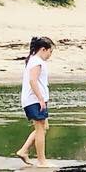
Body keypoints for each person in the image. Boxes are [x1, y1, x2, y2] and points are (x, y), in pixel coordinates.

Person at [15, 36, 54, 164]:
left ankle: (24, 150)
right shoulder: (36, 61)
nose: (50, 55)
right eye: (50, 51)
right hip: (34, 100)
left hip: (35, 99)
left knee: (43, 127)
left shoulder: (34, 61)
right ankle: (42, 161)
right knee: (40, 129)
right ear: (43, 49)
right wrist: (41, 99)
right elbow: (33, 80)